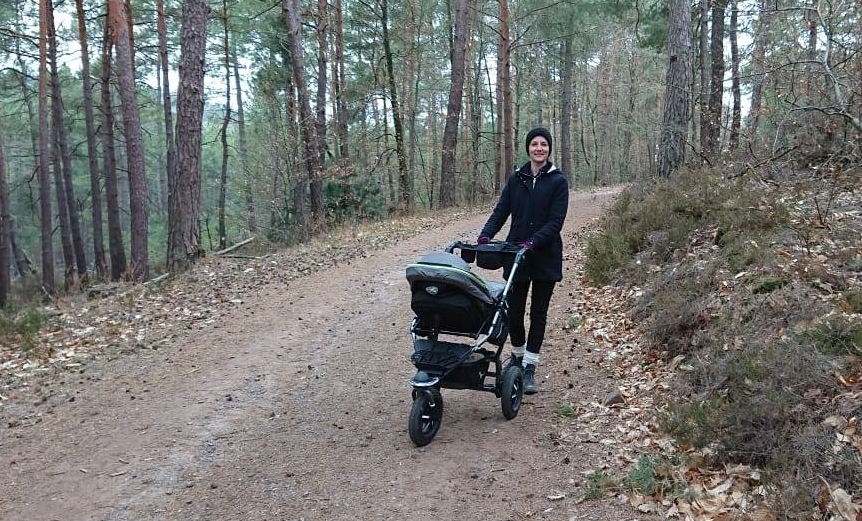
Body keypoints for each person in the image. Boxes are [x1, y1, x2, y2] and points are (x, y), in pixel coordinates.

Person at [477, 127, 569, 394]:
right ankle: (516, 356)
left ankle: (529, 366)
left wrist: (534, 241)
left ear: (549, 149)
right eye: (534, 144)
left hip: (544, 256)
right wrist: (486, 235)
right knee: (514, 311)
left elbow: (555, 221)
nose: (539, 148)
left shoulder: (558, 181)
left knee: (538, 313)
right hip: (515, 254)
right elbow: (501, 211)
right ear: (528, 148)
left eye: (543, 144)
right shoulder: (516, 178)